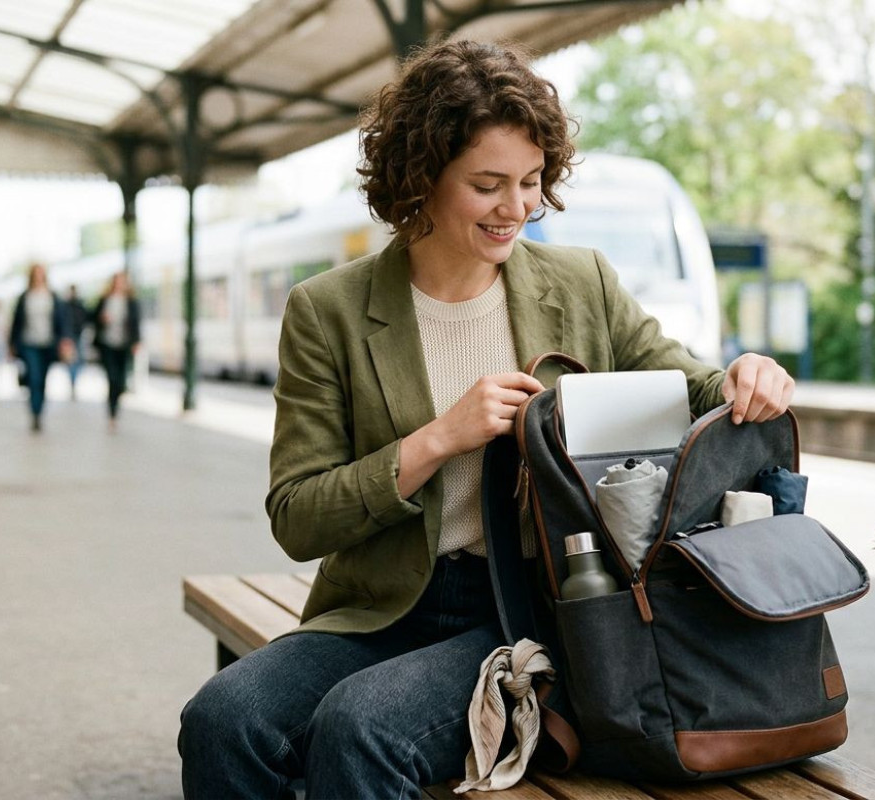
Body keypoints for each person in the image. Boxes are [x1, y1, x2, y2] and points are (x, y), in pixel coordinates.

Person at [176, 39, 796, 799]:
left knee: (359, 729)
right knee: (221, 719)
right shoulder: (326, 311)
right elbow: (298, 518)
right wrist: (439, 439)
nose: (517, 208)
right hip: (379, 609)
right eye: (487, 185)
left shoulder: (584, 283)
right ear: (421, 177)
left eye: (531, 181)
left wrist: (745, 374)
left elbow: (692, 384)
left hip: (534, 612)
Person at [8, 263, 74, 432]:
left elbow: (62, 321)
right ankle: (34, 411)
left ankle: (39, 412)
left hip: (48, 344)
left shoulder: (53, 296)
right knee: (34, 377)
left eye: (41, 273)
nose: (38, 276)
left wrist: (65, 340)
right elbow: (16, 322)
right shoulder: (25, 297)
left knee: (43, 379)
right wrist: (12, 344)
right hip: (29, 343)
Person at [91, 272, 140, 432]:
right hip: (107, 344)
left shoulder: (130, 301)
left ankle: (115, 409)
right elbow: (92, 317)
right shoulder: (105, 300)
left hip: (124, 345)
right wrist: (101, 319)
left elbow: (136, 322)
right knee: (112, 378)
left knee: (120, 380)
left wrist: (136, 341)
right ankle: (111, 413)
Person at [63, 285, 89, 400]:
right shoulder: (65, 305)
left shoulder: (80, 305)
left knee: (79, 360)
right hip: (69, 337)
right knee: (71, 361)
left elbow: (86, 318)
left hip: (79, 335)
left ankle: (74, 380)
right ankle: (72, 381)